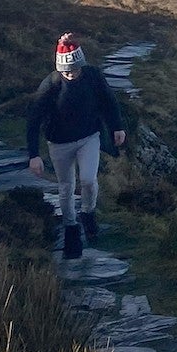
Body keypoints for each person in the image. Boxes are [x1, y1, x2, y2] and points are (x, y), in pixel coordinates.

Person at [26, 34, 124, 259]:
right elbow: (34, 120)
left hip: (88, 137)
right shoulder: (50, 85)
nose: (71, 74)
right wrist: (34, 154)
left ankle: (88, 213)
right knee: (66, 187)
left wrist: (117, 127)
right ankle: (71, 229)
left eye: (75, 69)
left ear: (82, 65)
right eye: (66, 71)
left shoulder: (93, 76)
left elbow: (109, 101)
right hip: (59, 144)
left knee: (88, 180)